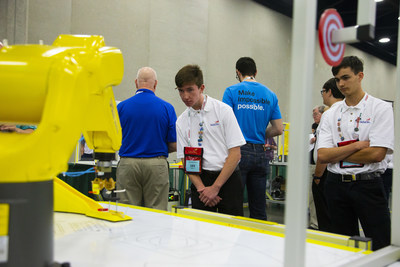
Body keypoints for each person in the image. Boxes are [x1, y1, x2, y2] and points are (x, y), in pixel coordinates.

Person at [317, 56, 393, 250]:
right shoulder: (330, 114)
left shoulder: (380, 108)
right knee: (342, 246)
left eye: (346, 77)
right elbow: (323, 156)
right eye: (337, 79)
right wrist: (356, 146)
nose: (341, 84)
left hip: (368, 184)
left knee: (380, 244)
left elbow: (376, 154)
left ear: (360, 76)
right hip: (336, 185)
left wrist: (337, 153)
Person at [175, 64, 246, 216]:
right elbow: (184, 158)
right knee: (202, 232)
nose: (185, 96)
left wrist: (215, 188)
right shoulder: (181, 122)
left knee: (232, 230)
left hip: (228, 178)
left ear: (201, 88)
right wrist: (203, 190)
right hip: (200, 183)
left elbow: (235, 154)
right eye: (181, 90)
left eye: (190, 90)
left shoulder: (223, 111)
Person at [222, 57, 283, 220]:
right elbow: (278, 128)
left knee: (233, 203)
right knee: (258, 206)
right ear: (255, 72)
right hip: (261, 153)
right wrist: (261, 134)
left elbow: (224, 124)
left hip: (238, 152)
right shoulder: (270, 95)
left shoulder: (231, 92)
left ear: (238, 73)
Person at [116, 67, 177, 211]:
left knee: (128, 212)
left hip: (128, 165)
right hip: (156, 165)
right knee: (156, 213)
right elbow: (173, 145)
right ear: (155, 84)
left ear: (136, 83)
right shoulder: (167, 108)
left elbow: (114, 139)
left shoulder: (121, 108)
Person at [311, 78, 344, 232]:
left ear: (329, 91)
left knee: (325, 215)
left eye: (322, 92)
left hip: (326, 172)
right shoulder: (344, 111)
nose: (322, 95)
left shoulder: (329, 114)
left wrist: (317, 176)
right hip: (337, 171)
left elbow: (324, 150)